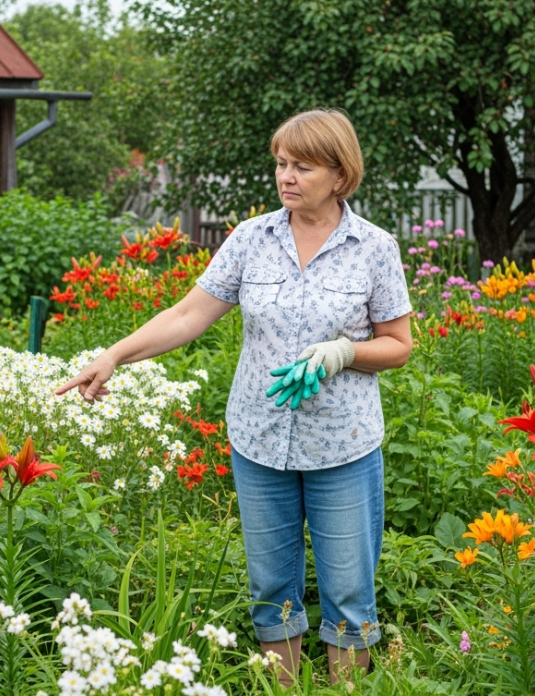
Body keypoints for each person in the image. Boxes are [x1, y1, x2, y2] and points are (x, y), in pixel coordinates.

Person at [55, 109, 412, 685]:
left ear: (340, 174)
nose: (285, 176)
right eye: (280, 163)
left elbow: (398, 345)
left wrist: (344, 352)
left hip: (343, 447)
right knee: (271, 588)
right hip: (259, 441)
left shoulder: (373, 248)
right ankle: (284, 688)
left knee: (348, 591)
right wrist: (114, 354)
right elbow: (189, 315)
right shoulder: (253, 239)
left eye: (302, 166)